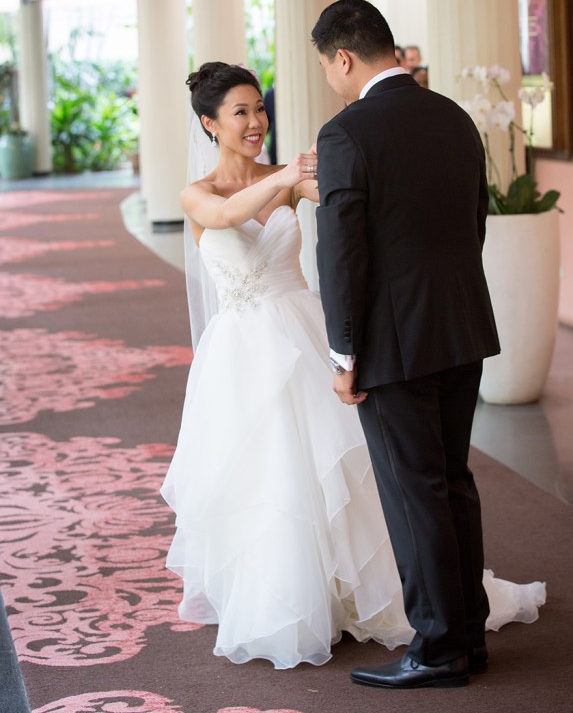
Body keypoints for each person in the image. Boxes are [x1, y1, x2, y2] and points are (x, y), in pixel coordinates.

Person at [162, 60, 545, 672]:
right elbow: (224, 219)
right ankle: (287, 601)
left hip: (306, 333)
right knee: (269, 475)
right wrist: (288, 174)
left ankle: (375, 597)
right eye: (240, 112)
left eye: (260, 108)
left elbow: (366, 198)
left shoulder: (287, 180)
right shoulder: (199, 193)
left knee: (342, 469)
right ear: (209, 124)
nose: (256, 121)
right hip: (243, 353)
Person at [313, 0, 503, 689]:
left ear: (341, 57)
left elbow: (341, 255)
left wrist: (343, 353)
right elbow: (472, 222)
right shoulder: (452, 116)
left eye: (327, 68)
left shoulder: (346, 133)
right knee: (452, 482)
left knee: (412, 492)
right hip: (461, 326)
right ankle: (467, 636)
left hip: (392, 344)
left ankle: (437, 648)